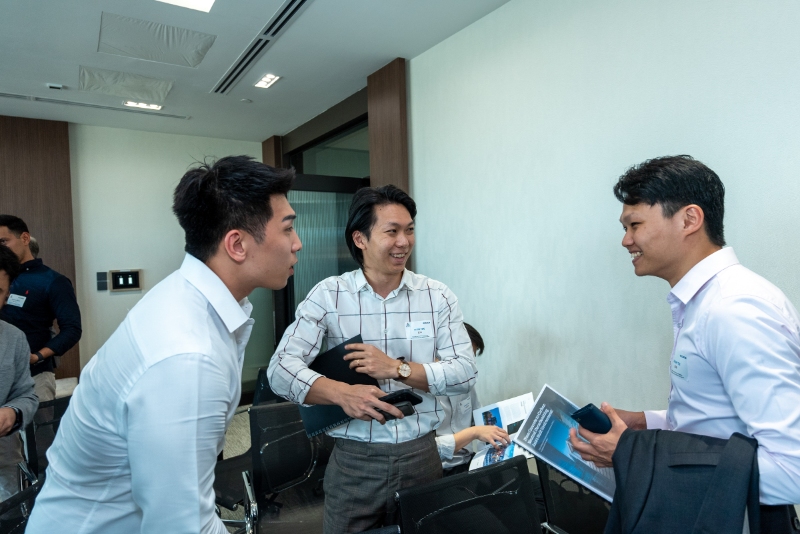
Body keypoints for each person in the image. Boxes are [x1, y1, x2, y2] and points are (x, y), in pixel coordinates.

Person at [26, 155, 301, 533]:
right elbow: (181, 525)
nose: (297, 243)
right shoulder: (188, 356)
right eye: (288, 229)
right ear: (237, 244)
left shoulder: (186, 299)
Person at [568, 155, 800, 525]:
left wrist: (634, 455)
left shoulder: (734, 310)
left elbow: (792, 471)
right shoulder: (703, 303)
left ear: (689, 220)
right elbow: (717, 423)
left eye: (635, 225)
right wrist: (645, 423)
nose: (626, 240)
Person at [267, 184, 477, 533]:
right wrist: (343, 394)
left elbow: (466, 373)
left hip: (422, 454)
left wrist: (397, 369)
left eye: (409, 230)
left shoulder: (437, 296)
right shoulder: (329, 296)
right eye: (391, 231)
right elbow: (280, 370)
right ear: (360, 239)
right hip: (355, 460)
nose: (403, 242)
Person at [0, 216, 82, 411]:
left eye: (3, 241)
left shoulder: (52, 281)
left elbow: (72, 329)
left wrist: (37, 356)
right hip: (2, 372)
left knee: (38, 429)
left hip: (35, 375)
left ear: (25, 238)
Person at [435, 323, 509, 476]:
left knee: (529, 480)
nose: (470, 367)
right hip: (439, 471)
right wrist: (473, 433)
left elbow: (480, 420)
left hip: (469, 462)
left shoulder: (465, 383)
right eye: (465, 360)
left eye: (471, 359)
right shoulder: (420, 393)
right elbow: (429, 451)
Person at [0, 244, 38, 501]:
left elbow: (27, 395)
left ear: (6, 295)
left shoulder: (14, 338)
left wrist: (12, 412)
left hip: (4, 463)